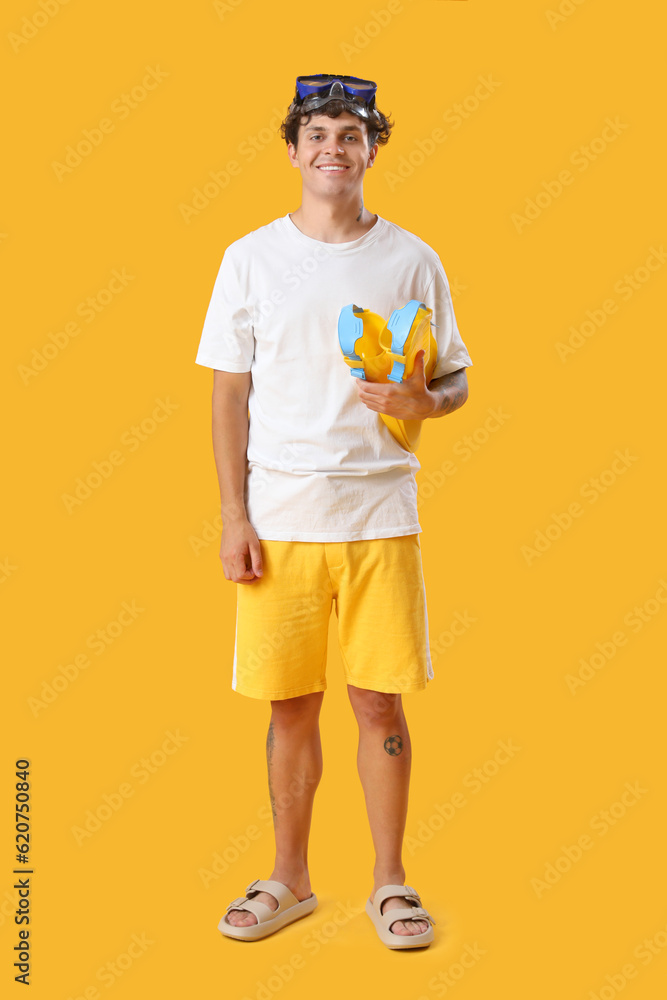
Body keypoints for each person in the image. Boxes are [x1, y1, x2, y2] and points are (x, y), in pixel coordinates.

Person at [195, 74, 473, 949]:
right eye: (316, 133)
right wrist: (234, 515)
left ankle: (390, 884)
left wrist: (421, 405)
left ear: (371, 150)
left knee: (380, 706)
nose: (331, 148)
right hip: (279, 516)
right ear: (291, 149)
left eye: (349, 134)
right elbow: (227, 396)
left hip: (380, 514)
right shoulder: (248, 258)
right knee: (288, 707)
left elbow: (455, 377)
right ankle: (289, 879)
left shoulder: (411, 258)